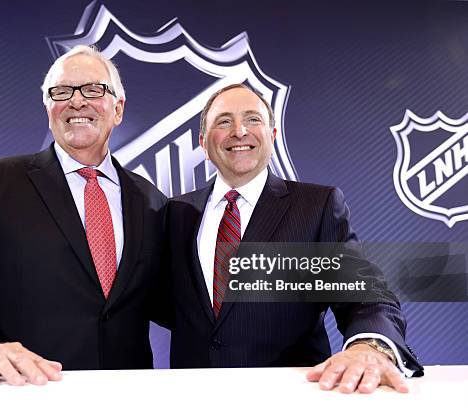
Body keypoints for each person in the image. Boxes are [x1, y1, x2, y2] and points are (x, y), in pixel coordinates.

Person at [0, 45, 167, 385]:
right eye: (61, 92)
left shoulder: (151, 200)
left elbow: (183, 300)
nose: (77, 101)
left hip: (130, 394)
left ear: (118, 109)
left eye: (93, 89)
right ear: (48, 107)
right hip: (26, 391)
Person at [165, 83, 424, 393]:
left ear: (272, 136)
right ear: (204, 143)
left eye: (253, 119)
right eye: (224, 121)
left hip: (291, 394)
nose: (239, 131)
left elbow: (365, 294)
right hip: (193, 396)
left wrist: (369, 346)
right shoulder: (174, 213)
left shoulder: (316, 207)